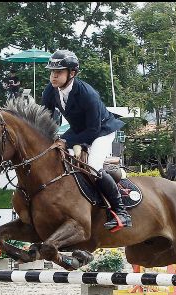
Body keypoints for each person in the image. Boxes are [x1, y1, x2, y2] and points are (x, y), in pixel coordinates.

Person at [42, 49, 129, 230]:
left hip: (102, 131)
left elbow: (92, 130)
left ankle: (121, 212)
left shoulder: (87, 94)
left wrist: (65, 141)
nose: (53, 76)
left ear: (72, 73)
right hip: (78, 130)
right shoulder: (50, 90)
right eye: (52, 72)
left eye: (58, 72)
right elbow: (45, 119)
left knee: (92, 167)